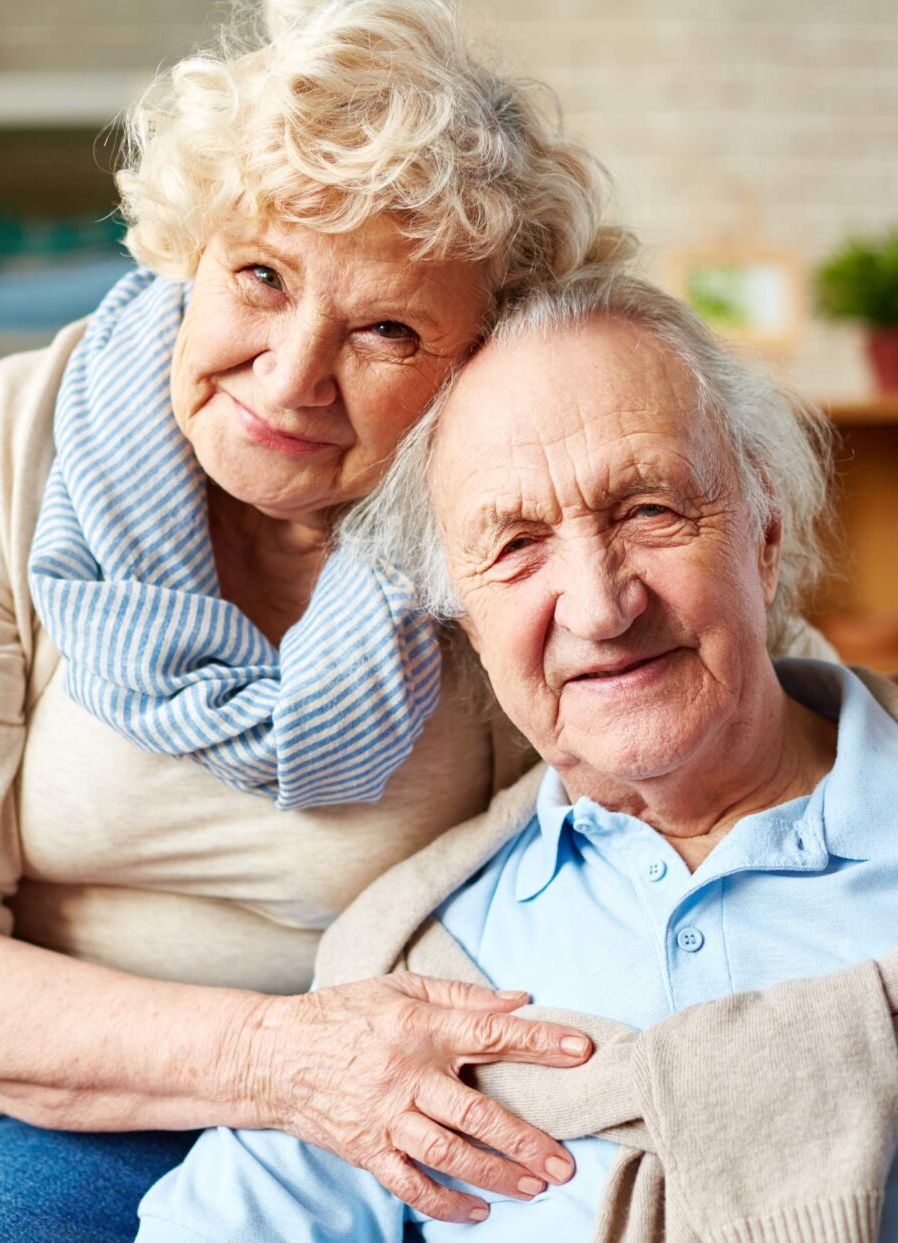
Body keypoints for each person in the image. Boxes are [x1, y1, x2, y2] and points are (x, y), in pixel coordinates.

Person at [0, 2, 657, 1237]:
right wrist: (281, 1060)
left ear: (477, 360)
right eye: (262, 277)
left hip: (429, 1094)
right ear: (190, 250)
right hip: (51, 1109)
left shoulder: (505, 508)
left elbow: (685, 777)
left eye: (387, 329)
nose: (290, 377)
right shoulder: (5, 447)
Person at [133, 271, 897, 1242]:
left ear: (764, 536)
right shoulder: (414, 965)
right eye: (518, 544)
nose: (600, 606)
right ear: (459, 615)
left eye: (648, 510)